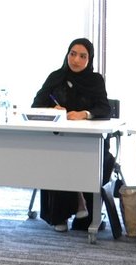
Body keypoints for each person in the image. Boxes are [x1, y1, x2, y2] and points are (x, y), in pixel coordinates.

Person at [33, 37, 112, 231]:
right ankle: (61, 215)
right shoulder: (56, 77)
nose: (76, 60)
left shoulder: (95, 80)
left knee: (96, 159)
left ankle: (84, 211)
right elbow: (36, 105)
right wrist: (53, 110)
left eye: (82, 56)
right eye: (73, 54)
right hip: (57, 139)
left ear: (89, 59)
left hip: (88, 141)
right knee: (59, 156)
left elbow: (104, 108)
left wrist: (84, 114)